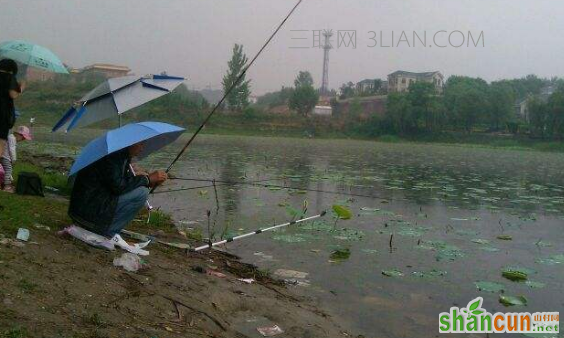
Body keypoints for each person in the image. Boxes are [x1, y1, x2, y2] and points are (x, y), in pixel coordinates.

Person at [68, 141, 168, 249]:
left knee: (141, 190)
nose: (142, 148)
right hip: (87, 211)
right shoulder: (113, 158)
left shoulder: (119, 156)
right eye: (140, 144)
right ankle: (109, 233)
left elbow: (120, 181)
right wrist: (147, 179)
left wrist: (149, 181)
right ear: (130, 144)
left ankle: (105, 230)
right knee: (142, 193)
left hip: (87, 206)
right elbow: (119, 187)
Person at [0, 59, 24, 158]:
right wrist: (21, 88)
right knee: (0, 141)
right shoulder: (10, 77)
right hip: (2, 114)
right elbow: (13, 94)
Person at [0, 126, 32, 192]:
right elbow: (12, 150)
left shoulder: (10, 137)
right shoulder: (12, 138)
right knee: (8, 170)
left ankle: (5, 183)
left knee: (7, 170)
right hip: (5, 158)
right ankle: (6, 186)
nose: (23, 140)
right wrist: (14, 159)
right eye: (23, 138)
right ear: (18, 134)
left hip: (4, 156)